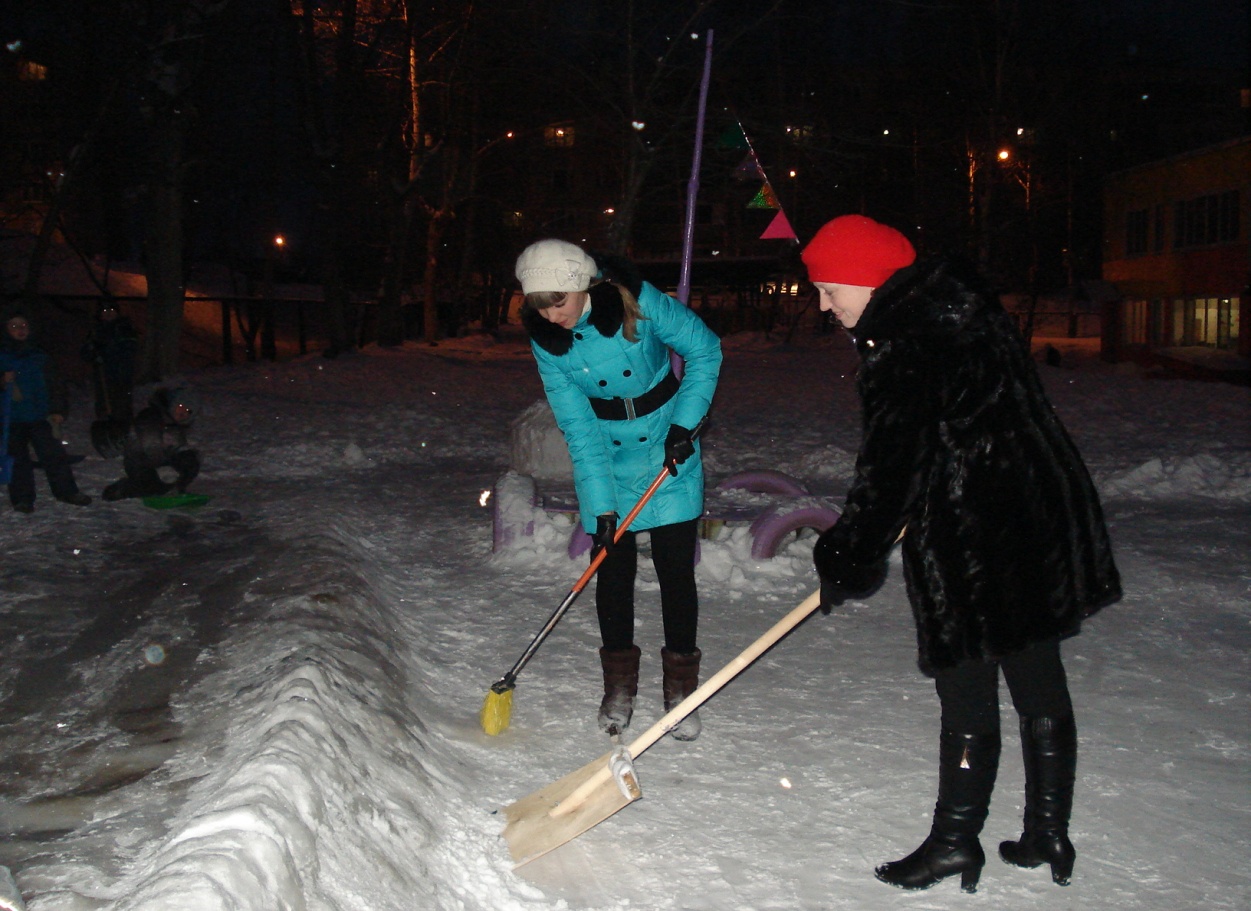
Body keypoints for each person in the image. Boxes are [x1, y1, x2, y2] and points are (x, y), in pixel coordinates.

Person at [800, 215, 1122, 892]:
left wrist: (846, 555)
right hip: (1037, 514)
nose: (824, 304)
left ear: (868, 281)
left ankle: (954, 842)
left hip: (977, 535)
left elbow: (891, 471)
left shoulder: (904, 342)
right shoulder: (964, 311)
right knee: (1036, 673)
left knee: (966, 685)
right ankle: (1047, 833)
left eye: (831, 289)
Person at [515, 239, 722, 741]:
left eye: (557, 302)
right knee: (612, 573)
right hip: (606, 454)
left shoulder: (638, 301)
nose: (550, 315)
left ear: (582, 286)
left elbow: (704, 349)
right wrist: (601, 507)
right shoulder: (548, 340)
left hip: (666, 443)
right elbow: (578, 429)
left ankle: (680, 693)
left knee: (676, 572)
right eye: (538, 306)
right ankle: (620, 689)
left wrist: (685, 426)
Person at [0, 308, 93, 512]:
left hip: (40, 415)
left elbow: (55, 384)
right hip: (11, 418)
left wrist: (58, 409)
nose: (20, 330)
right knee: (17, 460)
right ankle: (22, 498)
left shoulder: (40, 356)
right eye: (14, 326)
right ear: (6, 330)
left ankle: (67, 491)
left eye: (23, 325)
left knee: (54, 455)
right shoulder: (2, 356)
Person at [101, 384, 201, 501]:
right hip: (142, 464)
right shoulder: (151, 416)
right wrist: (164, 468)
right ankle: (123, 489)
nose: (183, 412)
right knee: (153, 484)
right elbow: (150, 446)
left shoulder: (176, 425)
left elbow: (177, 446)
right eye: (180, 407)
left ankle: (173, 489)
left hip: (164, 463)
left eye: (188, 411)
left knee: (190, 460)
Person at [80, 299, 139, 422]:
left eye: (111, 310)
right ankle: (105, 429)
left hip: (121, 374)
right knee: (104, 403)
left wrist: (107, 351)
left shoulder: (124, 328)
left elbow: (129, 348)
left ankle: (123, 429)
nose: (108, 313)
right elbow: (85, 352)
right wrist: (93, 352)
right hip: (103, 375)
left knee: (121, 404)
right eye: (105, 311)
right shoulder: (96, 331)